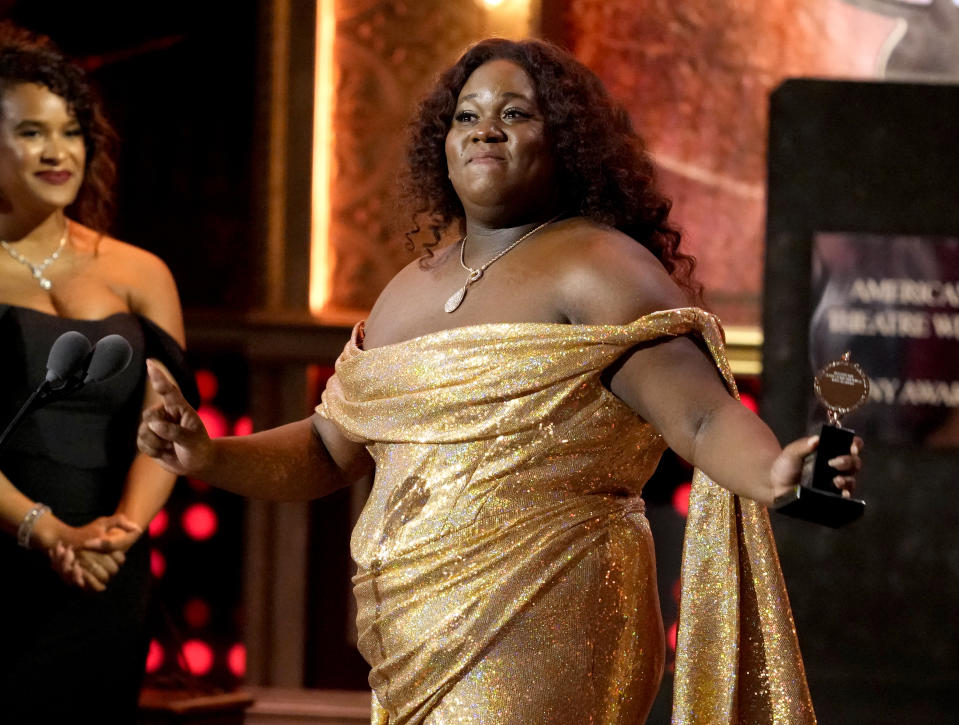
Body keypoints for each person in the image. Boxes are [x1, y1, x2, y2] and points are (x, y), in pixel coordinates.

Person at [136, 38, 861, 724]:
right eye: (467, 115)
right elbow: (331, 449)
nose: (486, 129)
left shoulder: (599, 266)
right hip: (412, 643)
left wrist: (772, 470)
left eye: (515, 113)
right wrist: (208, 455)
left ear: (566, 142)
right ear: (441, 145)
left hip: (546, 618)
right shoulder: (404, 291)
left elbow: (698, 417)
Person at [0, 23, 193, 721]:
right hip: (9, 553)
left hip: (105, 570)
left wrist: (120, 532)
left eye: (71, 132)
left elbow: (168, 421)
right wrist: (47, 532)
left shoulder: (140, 271)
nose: (58, 151)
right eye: (30, 132)